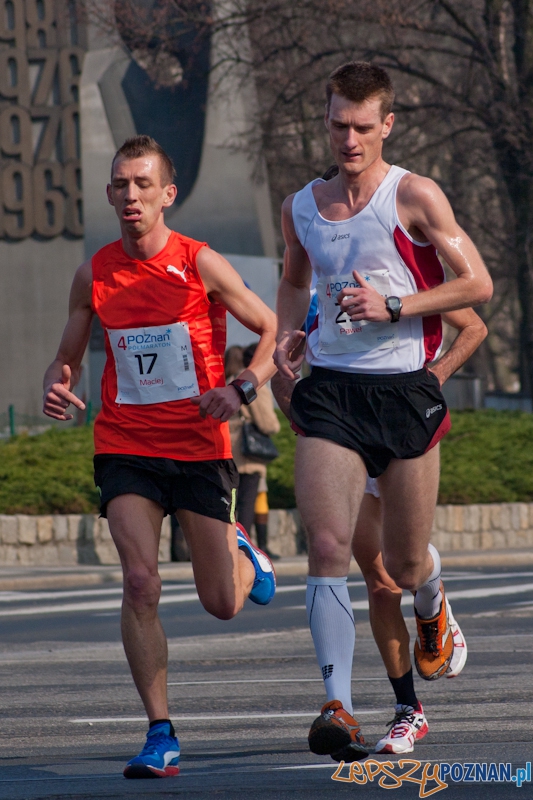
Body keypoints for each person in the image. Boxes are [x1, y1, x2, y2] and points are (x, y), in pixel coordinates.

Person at [274, 61, 492, 763]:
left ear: (386, 125)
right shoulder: (302, 205)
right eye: (337, 124)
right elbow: (294, 275)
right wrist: (287, 335)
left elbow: (476, 284)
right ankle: (337, 705)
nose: (348, 139)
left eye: (362, 126)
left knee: (399, 563)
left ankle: (432, 607)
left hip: (403, 394)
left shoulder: (413, 196)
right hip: (332, 392)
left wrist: (394, 305)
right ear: (326, 121)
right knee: (331, 548)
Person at [43, 135, 278, 779]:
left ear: (167, 194)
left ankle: (239, 549)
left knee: (222, 604)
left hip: (200, 446)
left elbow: (270, 328)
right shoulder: (95, 272)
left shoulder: (200, 263)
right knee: (140, 581)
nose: (130, 195)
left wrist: (243, 387)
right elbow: (67, 353)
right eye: (120, 184)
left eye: (143, 184)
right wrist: (56, 381)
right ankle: (160, 731)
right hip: (126, 444)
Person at [272, 304, 486, 754]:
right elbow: (281, 368)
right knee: (379, 584)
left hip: (402, 420)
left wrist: (435, 376)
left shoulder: (403, 269)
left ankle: (432, 598)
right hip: (342, 433)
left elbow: (474, 326)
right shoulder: (316, 285)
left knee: (404, 566)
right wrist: (298, 401)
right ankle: (408, 710)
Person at [226, 343, 280, 551]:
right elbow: (268, 423)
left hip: (230, 450)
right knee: (247, 503)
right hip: (247, 454)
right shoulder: (251, 383)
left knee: (233, 503)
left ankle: (232, 546)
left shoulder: (230, 380)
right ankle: (243, 548)